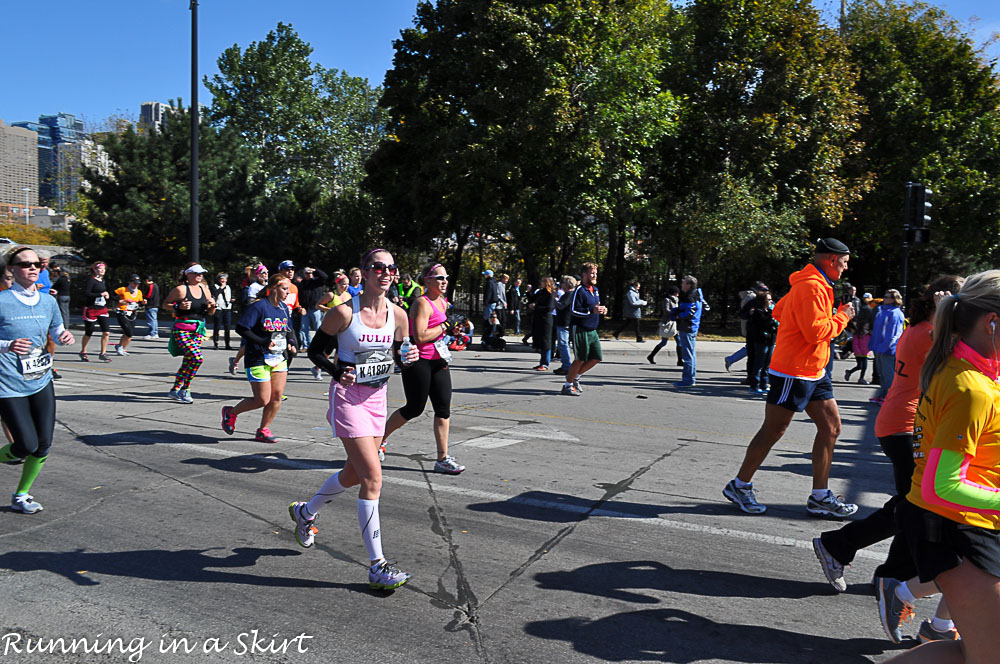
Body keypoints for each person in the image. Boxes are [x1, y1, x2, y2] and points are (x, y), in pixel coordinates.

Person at [809, 277, 964, 644]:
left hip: (904, 423)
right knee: (918, 505)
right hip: (905, 427)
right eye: (958, 298)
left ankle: (881, 569)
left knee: (912, 503)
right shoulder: (930, 333)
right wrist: (951, 313)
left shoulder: (926, 329)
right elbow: (959, 358)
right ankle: (854, 555)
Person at [882, 271, 1000, 663]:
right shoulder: (971, 388)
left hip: (969, 523)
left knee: (971, 653)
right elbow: (940, 485)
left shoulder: (976, 372)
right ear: (992, 322)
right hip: (956, 527)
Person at [293, 248, 418, 591]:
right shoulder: (344, 313)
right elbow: (315, 351)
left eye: (391, 268)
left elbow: (402, 357)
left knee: (354, 473)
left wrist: (409, 358)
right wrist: (337, 370)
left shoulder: (400, 316)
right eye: (378, 267)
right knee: (373, 477)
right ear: (364, 272)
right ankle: (377, 565)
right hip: (348, 401)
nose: (386, 273)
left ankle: (306, 512)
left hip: (377, 401)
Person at [722, 237, 857, 516]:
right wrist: (842, 317)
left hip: (814, 370)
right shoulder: (810, 286)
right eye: (843, 263)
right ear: (831, 260)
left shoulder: (811, 284)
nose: (844, 269)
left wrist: (810, 321)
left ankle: (820, 495)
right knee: (774, 429)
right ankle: (740, 485)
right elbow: (816, 332)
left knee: (831, 428)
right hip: (793, 371)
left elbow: (780, 311)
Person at [0, 246, 75, 514]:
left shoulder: (48, 301)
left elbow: (57, 329)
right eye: (24, 264)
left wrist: (64, 336)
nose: (32, 268)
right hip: (7, 383)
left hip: (40, 379)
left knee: (43, 444)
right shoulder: (2, 300)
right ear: (11, 269)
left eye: (36, 265)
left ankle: (21, 494)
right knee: (25, 446)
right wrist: (7, 345)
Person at [381, 261, 465, 474]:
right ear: (427, 280)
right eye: (439, 278)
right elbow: (420, 336)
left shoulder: (443, 302)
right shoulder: (422, 303)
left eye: (445, 277)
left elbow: (440, 333)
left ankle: (442, 458)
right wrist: (445, 325)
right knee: (414, 408)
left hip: (439, 360)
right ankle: (378, 441)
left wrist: (453, 332)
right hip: (419, 361)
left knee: (443, 409)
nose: (444, 281)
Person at [221, 274, 297, 443]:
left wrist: (292, 343)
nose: (287, 293)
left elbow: (289, 329)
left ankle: (263, 429)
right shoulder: (259, 307)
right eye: (285, 289)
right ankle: (231, 413)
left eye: (289, 290)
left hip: (278, 357)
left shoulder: (284, 308)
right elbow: (242, 328)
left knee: (277, 397)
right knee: (262, 399)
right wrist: (263, 341)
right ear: (274, 288)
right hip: (257, 357)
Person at [162, 263, 216, 404]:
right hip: (182, 329)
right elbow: (164, 304)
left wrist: (213, 305)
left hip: (198, 330)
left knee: (188, 361)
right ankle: (185, 389)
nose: (200, 276)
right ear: (188, 274)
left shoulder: (205, 289)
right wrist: (177, 306)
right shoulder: (180, 290)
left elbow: (210, 312)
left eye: (201, 273)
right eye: (197, 273)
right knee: (197, 358)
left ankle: (174, 390)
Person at [562, 262, 607, 396]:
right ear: (584, 275)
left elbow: (595, 307)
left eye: (595, 273)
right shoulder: (579, 290)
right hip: (580, 329)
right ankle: (567, 385)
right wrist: (590, 310)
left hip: (592, 329)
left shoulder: (595, 290)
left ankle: (575, 377)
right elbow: (574, 310)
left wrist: (602, 309)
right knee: (580, 358)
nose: (594, 276)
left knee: (596, 357)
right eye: (592, 273)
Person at [230, 265, 269, 375]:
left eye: (266, 272)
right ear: (257, 274)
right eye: (262, 272)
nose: (265, 274)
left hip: (266, 318)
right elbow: (250, 303)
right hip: (255, 318)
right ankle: (235, 361)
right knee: (247, 344)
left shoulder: (269, 286)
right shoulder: (254, 287)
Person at [870, 288, 905, 404]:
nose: (885, 299)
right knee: (881, 372)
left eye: (888, 297)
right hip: (879, 348)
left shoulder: (895, 313)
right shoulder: (881, 311)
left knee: (888, 373)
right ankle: (882, 394)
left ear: (894, 299)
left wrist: (886, 346)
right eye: (885, 296)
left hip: (888, 349)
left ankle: (888, 397)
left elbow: (894, 334)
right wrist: (873, 344)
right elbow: (876, 330)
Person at [671, 275, 705, 387]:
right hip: (692, 326)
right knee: (691, 354)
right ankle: (690, 379)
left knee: (688, 355)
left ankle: (688, 380)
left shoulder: (690, 297)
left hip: (688, 327)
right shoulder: (697, 294)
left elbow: (689, 313)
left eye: (683, 282)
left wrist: (678, 315)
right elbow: (703, 307)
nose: (681, 284)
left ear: (688, 285)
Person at [79, 261, 113, 362]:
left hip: (102, 308)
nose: (102, 271)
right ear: (95, 269)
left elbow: (104, 292)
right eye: (100, 269)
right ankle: (83, 351)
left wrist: (107, 295)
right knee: (89, 332)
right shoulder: (91, 280)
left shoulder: (102, 280)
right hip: (91, 308)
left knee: (106, 332)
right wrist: (100, 294)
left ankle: (103, 353)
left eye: (104, 269)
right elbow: (87, 293)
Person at [746, 290, 778, 394]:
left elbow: (776, 324)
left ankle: (764, 384)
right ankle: (754, 386)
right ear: (763, 301)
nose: (771, 301)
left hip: (771, 341)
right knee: (759, 364)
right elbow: (765, 323)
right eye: (768, 299)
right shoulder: (758, 312)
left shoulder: (770, 311)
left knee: (767, 365)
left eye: (771, 299)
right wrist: (772, 319)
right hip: (761, 341)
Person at [113, 274, 145, 356]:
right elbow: (112, 296)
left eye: (137, 283)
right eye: (134, 283)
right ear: (130, 282)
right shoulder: (123, 289)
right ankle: (120, 347)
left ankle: (121, 347)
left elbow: (140, 303)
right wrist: (119, 301)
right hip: (122, 312)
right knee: (129, 332)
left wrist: (143, 303)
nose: (136, 285)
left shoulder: (139, 292)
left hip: (132, 313)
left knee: (129, 334)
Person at [647, 286, 680, 364]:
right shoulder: (666, 299)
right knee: (664, 342)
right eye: (677, 292)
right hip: (667, 323)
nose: (678, 294)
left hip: (674, 323)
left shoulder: (676, 300)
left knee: (679, 341)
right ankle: (651, 356)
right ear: (674, 293)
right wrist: (676, 312)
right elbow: (666, 311)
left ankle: (680, 360)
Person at [298, 265, 329, 348]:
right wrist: (300, 307)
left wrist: (315, 270)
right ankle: (306, 345)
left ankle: (319, 345)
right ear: (304, 274)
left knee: (318, 328)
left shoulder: (317, 282)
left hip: (316, 309)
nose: (309, 274)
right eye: (307, 273)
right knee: (304, 329)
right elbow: (298, 296)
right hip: (305, 309)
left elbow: (325, 276)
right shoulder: (301, 284)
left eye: (310, 273)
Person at [553, 276, 577, 375]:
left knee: (563, 344)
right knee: (563, 344)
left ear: (567, 284)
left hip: (564, 322)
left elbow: (560, 306)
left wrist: (554, 298)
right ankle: (566, 365)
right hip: (568, 322)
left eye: (563, 283)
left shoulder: (568, 294)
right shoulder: (573, 294)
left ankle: (566, 366)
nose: (561, 284)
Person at [531, 277, 556, 370]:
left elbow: (549, 308)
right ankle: (542, 361)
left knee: (546, 342)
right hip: (538, 319)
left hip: (546, 320)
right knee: (540, 341)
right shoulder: (540, 292)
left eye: (542, 282)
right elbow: (532, 298)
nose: (540, 283)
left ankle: (545, 363)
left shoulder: (550, 294)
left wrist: (536, 307)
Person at [211, 272, 235, 351]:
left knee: (227, 327)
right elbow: (215, 295)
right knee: (217, 326)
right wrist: (221, 288)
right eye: (222, 279)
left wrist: (231, 300)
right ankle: (216, 343)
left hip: (227, 308)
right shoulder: (215, 286)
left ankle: (227, 344)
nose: (223, 281)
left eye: (225, 279)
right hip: (218, 308)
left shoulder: (228, 287)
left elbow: (229, 295)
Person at [51, 266, 71, 331]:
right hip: (67, 296)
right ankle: (67, 324)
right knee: (66, 311)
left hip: (61, 296)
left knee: (62, 311)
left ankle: (64, 325)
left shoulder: (61, 279)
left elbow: (54, 286)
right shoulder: (68, 279)